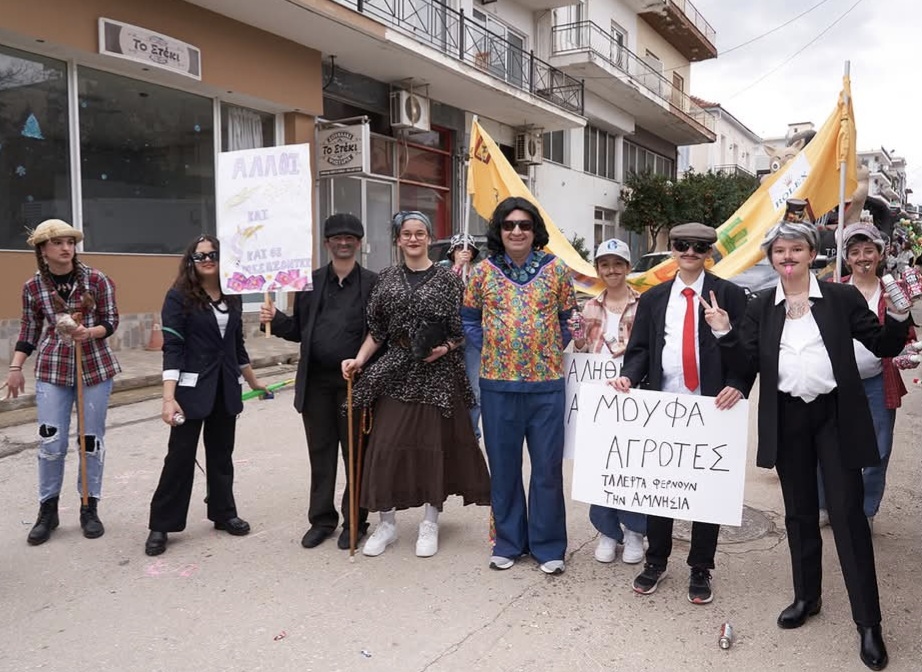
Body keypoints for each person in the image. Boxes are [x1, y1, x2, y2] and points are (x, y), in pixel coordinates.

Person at [707, 219, 911, 671]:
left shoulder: (839, 298)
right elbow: (746, 361)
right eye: (779, 251)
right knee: (799, 514)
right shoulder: (762, 305)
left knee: (848, 515)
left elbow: (882, 344)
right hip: (787, 417)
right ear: (771, 258)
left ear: (811, 254)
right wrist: (723, 332)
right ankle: (807, 597)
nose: (788, 257)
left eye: (796, 249)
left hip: (835, 416)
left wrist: (899, 315)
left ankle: (869, 623)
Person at [611, 223, 748, 604]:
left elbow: (747, 351)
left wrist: (737, 382)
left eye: (699, 246)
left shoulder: (730, 295)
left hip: (713, 406)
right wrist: (628, 376)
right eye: (682, 245)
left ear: (709, 252)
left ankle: (701, 565)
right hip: (665, 406)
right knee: (661, 489)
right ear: (672, 249)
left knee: (707, 491)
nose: (690, 252)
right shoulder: (654, 298)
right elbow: (640, 349)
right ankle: (656, 560)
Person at [341, 211, 490, 558]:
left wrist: (444, 349)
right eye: (406, 233)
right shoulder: (386, 278)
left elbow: (461, 331)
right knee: (385, 446)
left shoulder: (448, 280)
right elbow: (377, 331)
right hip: (395, 368)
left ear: (429, 238)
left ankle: (430, 522)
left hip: (436, 373)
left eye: (420, 233)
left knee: (431, 448)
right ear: (398, 239)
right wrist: (359, 359)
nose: (413, 238)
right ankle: (387, 524)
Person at [461, 196, 578, 575]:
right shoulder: (482, 272)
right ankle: (508, 543)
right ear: (499, 230)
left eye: (524, 225)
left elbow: (569, 318)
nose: (516, 231)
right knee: (504, 469)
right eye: (509, 225)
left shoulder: (556, 270)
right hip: (498, 387)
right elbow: (468, 319)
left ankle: (548, 546)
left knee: (546, 471)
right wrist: (494, 347)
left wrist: (546, 348)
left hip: (546, 387)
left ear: (534, 230)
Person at [145, 235, 267, 556]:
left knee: (221, 454)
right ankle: (162, 524)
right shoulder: (178, 297)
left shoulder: (233, 295)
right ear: (191, 261)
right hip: (190, 390)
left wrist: (254, 382)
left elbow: (236, 347)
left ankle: (223, 513)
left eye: (213, 254)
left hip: (226, 387)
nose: (207, 260)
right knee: (180, 457)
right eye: (200, 256)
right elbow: (173, 348)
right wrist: (168, 398)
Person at [260, 214, 376, 550]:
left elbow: (378, 331)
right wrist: (276, 320)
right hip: (315, 384)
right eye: (337, 237)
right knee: (320, 454)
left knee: (355, 454)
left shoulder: (372, 283)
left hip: (355, 382)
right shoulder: (308, 284)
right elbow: (299, 330)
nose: (343, 242)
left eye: (350, 237)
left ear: (359, 243)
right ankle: (322, 520)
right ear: (327, 243)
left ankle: (355, 521)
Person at [5, 219, 120, 545]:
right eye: (57, 243)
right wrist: (15, 367)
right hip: (53, 369)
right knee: (51, 441)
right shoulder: (33, 287)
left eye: (70, 242)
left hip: (94, 368)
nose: (66, 248)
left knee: (90, 441)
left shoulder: (96, 279)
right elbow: (29, 329)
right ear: (43, 249)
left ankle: (89, 507)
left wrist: (89, 332)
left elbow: (111, 320)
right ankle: (48, 510)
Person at [817, 222, 917, 531]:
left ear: (880, 254)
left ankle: (865, 511)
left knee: (878, 449)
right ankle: (825, 505)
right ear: (846, 258)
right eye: (855, 251)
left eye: (869, 250)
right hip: (834, 381)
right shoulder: (831, 289)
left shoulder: (892, 291)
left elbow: (906, 337)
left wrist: (905, 353)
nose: (862, 257)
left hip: (877, 381)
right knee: (826, 445)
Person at [571, 238, 646, 565]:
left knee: (633, 464)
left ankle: (634, 531)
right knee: (601, 464)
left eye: (618, 264)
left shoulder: (645, 304)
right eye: (605, 265)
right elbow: (581, 351)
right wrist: (576, 337)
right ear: (598, 269)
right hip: (600, 398)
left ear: (628, 268)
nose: (612, 270)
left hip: (635, 396)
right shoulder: (588, 307)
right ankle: (607, 531)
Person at [446, 233, 483, 441]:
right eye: (459, 248)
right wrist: (458, 267)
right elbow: (444, 294)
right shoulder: (444, 274)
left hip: (472, 339)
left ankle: (472, 435)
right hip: (449, 337)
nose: (464, 252)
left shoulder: (479, 275)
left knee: (474, 389)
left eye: (468, 248)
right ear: (452, 252)